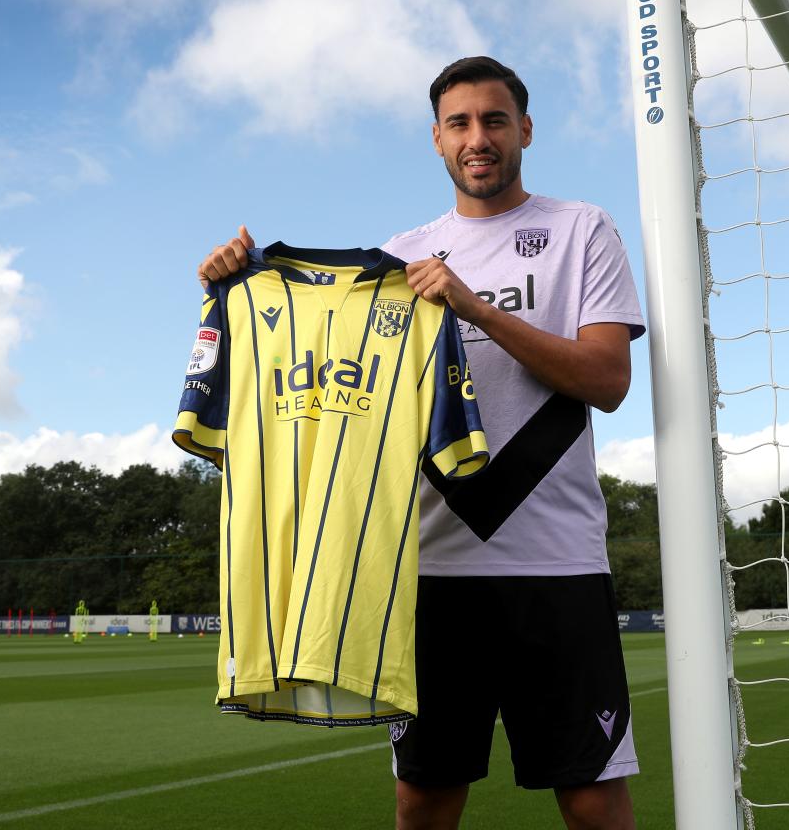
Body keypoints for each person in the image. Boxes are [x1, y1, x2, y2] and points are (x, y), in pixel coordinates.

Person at [198, 56, 645, 830]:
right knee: (425, 801)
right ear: (436, 140)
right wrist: (231, 283)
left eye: (495, 120)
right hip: (430, 570)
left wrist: (476, 307)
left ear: (525, 131)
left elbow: (607, 379)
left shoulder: (581, 228)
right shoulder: (399, 257)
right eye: (461, 124)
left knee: (592, 799)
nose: (480, 138)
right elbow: (335, 391)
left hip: (558, 562)